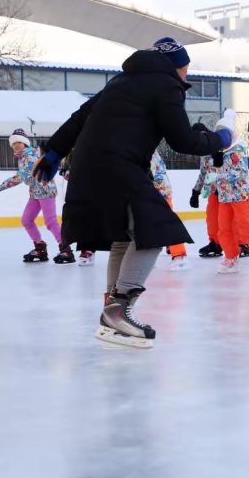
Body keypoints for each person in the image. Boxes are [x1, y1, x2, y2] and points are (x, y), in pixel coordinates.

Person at [32, 37, 231, 348]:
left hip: (88, 166)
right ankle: (119, 309)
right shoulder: (167, 86)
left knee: (124, 236)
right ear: (179, 66)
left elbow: (80, 116)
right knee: (156, 229)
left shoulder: (122, 81)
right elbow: (182, 141)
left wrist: (54, 152)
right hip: (116, 164)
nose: (187, 75)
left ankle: (111, 310)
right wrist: (221, 138)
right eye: (187, 69)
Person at [0, 128, 72, 264]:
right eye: (13, 143)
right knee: (27, 220)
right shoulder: (22, 156)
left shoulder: (29, 155)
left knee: (50, 222)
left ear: (25, 143)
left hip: (45, 190)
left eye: (19, 142)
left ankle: (65, 249)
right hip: (35, 193)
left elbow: (21, 177)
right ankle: (40, 248)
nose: (16, 145)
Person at [209, 110, 249, 276]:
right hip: (224, 197)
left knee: (246, 227)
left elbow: (239, 174)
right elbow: (213, 174)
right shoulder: (218, 153)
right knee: (223, 229)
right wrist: (211, 183)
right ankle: (231, 257)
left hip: (239, 196)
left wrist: (218, 175)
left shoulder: (238, 151)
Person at [190, 123, 226, 259]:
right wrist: (196, 192)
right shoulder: (204, 152)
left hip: (227, 191)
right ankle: (215, 243)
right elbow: (203, 173)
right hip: (213, 191)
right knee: (211, 218)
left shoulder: (220, 144)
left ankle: (241, 243)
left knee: (230, 219)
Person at [150, 151, 189, 271]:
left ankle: (179, 256)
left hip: (160, 192)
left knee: (168, 223)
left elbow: (153, 173)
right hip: (150, 193)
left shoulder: (146, 151)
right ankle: (148, 256)